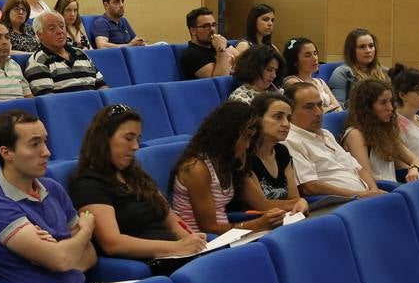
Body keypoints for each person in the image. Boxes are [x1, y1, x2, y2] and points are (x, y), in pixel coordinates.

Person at [0, 111, 96, 283]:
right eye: (35, 144)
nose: (47, 152)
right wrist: (86, 230)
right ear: (7, 153)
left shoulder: (53, 188)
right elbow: (61, 259)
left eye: (45, 142)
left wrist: (59, 255)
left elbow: (90, 255)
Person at [68, 104, 206, 265]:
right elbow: (112, 243)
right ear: (104, 138)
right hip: (151, 262)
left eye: (137, 139)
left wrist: (193, 242)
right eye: (128, 138)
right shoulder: (88, 182)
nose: (135, 147)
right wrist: (176, 247)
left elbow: (170, 218)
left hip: (175, 254)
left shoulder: (135, 174)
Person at [171, 101, 285, 235]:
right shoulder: (197, 168)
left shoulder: (230, 163)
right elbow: (209, 227)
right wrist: (256, 225)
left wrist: (297, 203)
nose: (247, 146)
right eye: (246, 137)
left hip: (227, 236)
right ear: (228, 134)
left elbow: (263, 204)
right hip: (204, 241)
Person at [282, 83, 382, 197]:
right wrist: (358, 195)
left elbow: (359, 169)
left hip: (362, 196)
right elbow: (309, 187)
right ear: (290, 111)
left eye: (320, 105)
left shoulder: (327, 134)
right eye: (309, 107)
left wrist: (374, 191)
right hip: (337, 203)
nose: (318, 112)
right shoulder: (290, 140)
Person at [341, 79, 419, 183]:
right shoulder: (355, 135)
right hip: (379, 193)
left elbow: (417, 161)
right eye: (383, 102)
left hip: (392, 189)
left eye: (391, 101)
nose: (390, 108)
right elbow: (367, 178)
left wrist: (414, 168)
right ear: (366, 107)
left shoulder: (384, 131)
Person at [239, 93, 310, 215]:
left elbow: (294, 197)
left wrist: (298, 202)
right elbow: (262, 205)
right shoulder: (244, 155)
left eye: (288, 118)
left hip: (284, 218)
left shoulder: (282, 151)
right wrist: (298, 202)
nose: (286, 124)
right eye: (278, 117)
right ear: (257, 119)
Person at [24, 12, 106, 95]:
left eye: (62, 26)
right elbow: (48, 99)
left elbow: (102, 85)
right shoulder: (38, 60)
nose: (60, 31)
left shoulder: (80, 53)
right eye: (52, 28)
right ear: (40, 35)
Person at [328, 28, 388, 106]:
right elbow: (338, 108)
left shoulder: (385, 72)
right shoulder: (342, 73)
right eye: (362, 47)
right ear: (352, 51)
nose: (368, 50)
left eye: (371, 46)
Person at [280, 37, 340, 112]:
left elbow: (338, 108)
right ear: (295, 61)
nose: (315, 58)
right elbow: (310, 112)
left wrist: (331, 109)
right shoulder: (292, 82)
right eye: (308, 55)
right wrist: (331, 108)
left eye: (315, 53)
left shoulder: (320, 81)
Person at [178, 7, 232, 79]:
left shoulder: (215, 43)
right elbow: (221, 80)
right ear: (193, 31)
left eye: (213, 25)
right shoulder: (191, 55)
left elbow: (239, 60)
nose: (212, 29)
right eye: (206, 26)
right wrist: (221, 51)